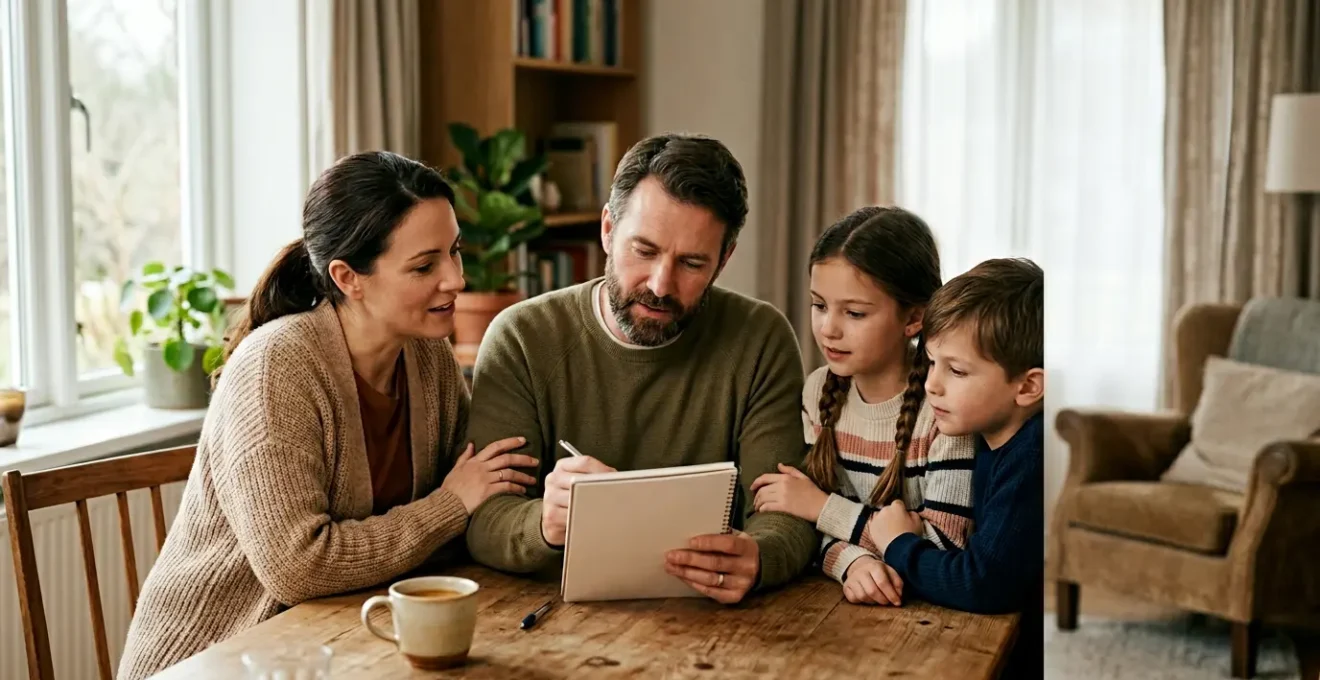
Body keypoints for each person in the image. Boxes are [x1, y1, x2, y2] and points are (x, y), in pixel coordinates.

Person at [117, 152, 535, 680]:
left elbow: (480, 489)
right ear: (348, 277)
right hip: (222, 658)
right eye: (424, 266)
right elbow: (298, 567)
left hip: (345, 646)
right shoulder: (276, 369)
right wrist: (448, 506)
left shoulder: (428, 356)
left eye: (455, 251)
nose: (455, 279)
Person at [462, 134, 817, 603]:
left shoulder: (760, 339)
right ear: (608, 230)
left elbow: (787, 512)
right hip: (552, 615)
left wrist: (759, 556)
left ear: (724, 259)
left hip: (714, 616)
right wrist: (543, 523)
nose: (661, 284)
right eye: (644, 251)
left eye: (692, 263)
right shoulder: (522, 338)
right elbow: (483, 520)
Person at [750, 207, 976, 606]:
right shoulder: (817, 392)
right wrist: (851, 562)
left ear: (914, 317)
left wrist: (823, 507)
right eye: (819, 305)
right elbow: (810, 529)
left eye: (854, 313)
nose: (828, 329)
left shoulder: (944, 408)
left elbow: (944, 548)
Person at [869, 257, 1045, 679]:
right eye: (931, 362)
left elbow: (983, 583)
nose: (932, 384)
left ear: (1027, 386)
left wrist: (898, 545)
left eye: (957, 370)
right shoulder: (986, 435)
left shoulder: (1032, 457)